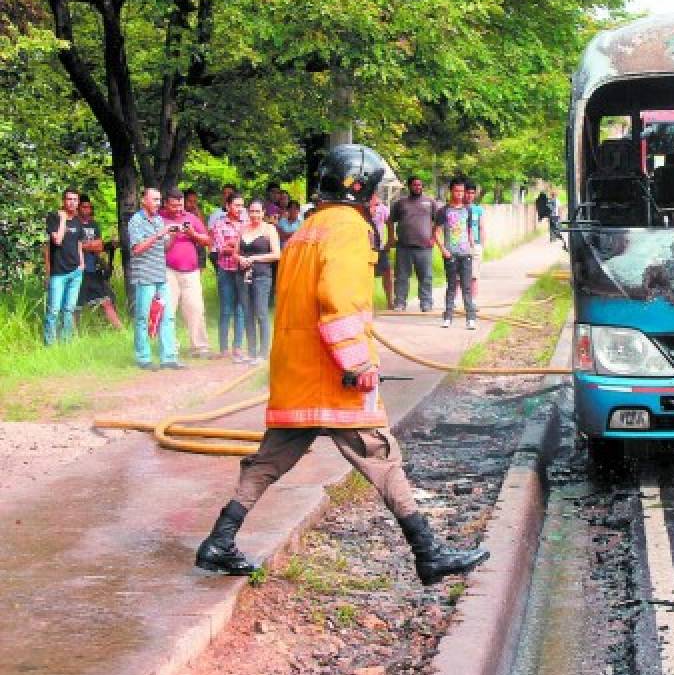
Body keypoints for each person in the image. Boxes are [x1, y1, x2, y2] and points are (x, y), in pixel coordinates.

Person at [194, 144, 489, 586]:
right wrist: (357, 362)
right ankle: (428, 553)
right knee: (380, 454)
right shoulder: (349, 229)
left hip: (297, 369)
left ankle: (220, 540)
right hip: (333, 373)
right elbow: (338, 301)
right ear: (361, 187)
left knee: (267, 462)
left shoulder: (308, 229)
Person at [127, 188, 182, 370]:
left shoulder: (158, 220)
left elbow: (164, 247)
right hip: (144, 277)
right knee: (143, 318)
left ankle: (169, 357)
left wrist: (173, 234)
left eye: (160, 199)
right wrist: (159, 234)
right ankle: (143, 358)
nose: (159, 203)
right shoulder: (136, 221)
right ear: (144, 201)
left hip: (160, 275)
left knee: (167, 317)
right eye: (155, 199)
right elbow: (136, 249)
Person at [161, 188, 213, 358]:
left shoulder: (191, 218)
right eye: (174, 205)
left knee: (196, 308)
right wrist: (173, 235)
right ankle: (171, 347)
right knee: (168, 309)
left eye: (180, 204)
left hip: (191, 271)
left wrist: (193, 234)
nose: (178, 208)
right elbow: (157, 245)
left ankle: (199, 346)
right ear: (166, 204)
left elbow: (207, 241)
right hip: (168, 270)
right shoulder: (160, 219)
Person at [235, 200, 281, 365]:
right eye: (252, 211)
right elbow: (235, 252)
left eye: (257, 211)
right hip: (242, 275)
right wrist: (240, 258)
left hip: (262, 276)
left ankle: (263, 353)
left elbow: (277, 254)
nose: (254, 215)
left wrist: (254, 258)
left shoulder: (270, 229)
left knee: (261, 313)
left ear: (263, 213)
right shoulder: (243, 229)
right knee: (247, 313)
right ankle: (252, 351)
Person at [389, 175, 438, 312]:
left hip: (424, 247)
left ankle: (426, 303)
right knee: (401, 277)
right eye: (415, 185)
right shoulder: (400, 203)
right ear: (409, 186)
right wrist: (391, 238)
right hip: (403, 247)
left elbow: (438, 222)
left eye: (420, 185)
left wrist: (433, 238)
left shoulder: (430, 202)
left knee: (426, 277)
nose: (418, 187)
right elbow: (390, 221)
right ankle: (400, 302)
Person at [43, 188, 85, 345]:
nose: (72, 202)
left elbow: (79, 243)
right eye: (69, 199)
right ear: (63, 201)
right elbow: (58, 241)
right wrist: (62, 219)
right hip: (58, 273)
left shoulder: (77, 221)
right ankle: (50, 345)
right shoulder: (54, 218)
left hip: (75, 272)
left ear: (78, 202)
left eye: (75, 199)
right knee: (54, 310)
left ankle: (66, 343)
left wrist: (81, 263)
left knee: (69, 309)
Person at [434, 177, 477, 329]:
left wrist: (472, 246)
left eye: (462, 191)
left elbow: (469, 230)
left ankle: (470, 318)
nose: (460, 194)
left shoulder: (468, 210)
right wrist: (443, 250)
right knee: (452, 286)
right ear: (451, 191)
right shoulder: (443, 211)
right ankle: (448, 317)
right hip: (450, 254)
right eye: (457, 190)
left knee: (467, 287)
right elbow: (437, 233)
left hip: (466, 254)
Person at [76, 196, 123, 329]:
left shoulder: (94, 225)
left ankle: (122, 332)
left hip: (92, 270)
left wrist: (103, 262)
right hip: (77, 270)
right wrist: (91, 245)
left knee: (106, 301)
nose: (87, 210)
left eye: (89, 207)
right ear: (78, 207)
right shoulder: (73, 224)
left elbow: (99, 247)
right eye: (84, 207)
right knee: (75, 307)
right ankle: (73, 337)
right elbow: (71, 245)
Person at [211, 193, 248, 361]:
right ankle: (223, 348)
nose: (240, 209)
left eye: (242, 205)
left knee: (240, 310)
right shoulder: (219, 224)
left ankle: (238, 346)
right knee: (226, 310)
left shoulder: (246, 224)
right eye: (236, 205)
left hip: (241, 271)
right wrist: (237, 244)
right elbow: (221, 248)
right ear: (227, 206)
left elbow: (249, 246)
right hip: (226, 270)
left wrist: (232, 244)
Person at [370, 193, 394, 310]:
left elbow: (389, 224)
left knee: (388, 272)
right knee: (366, 275)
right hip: (363, 248)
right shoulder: (360, 206)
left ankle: (390, 302)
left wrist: (390, 240)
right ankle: (367, 303)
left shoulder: (383, 208)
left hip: (379, 248)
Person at [465, 181, 486, 298]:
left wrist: (481, 246)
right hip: (460, 246)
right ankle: (456, 304)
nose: (469, 195)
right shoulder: (458, 209)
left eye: (472, 193)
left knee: (474, 276)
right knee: (458, 278)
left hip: (475, 246)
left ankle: (472, 301)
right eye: (467, 193)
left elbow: (482, 227)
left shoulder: (478, 210)